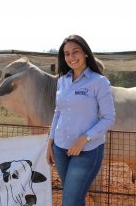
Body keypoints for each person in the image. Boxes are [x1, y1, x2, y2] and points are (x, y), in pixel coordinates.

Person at [46, 34, 115, 206]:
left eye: (75, 52)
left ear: (85, 53)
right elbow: (58, 112)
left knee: (70, 200)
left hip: (87, 150)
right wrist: (50, 142)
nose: (71, 57)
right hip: (60, 148)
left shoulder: (99, 82)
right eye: (67, 54)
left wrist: (84, 139)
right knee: (75, 199)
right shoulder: (62, 81)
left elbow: (109, 118)